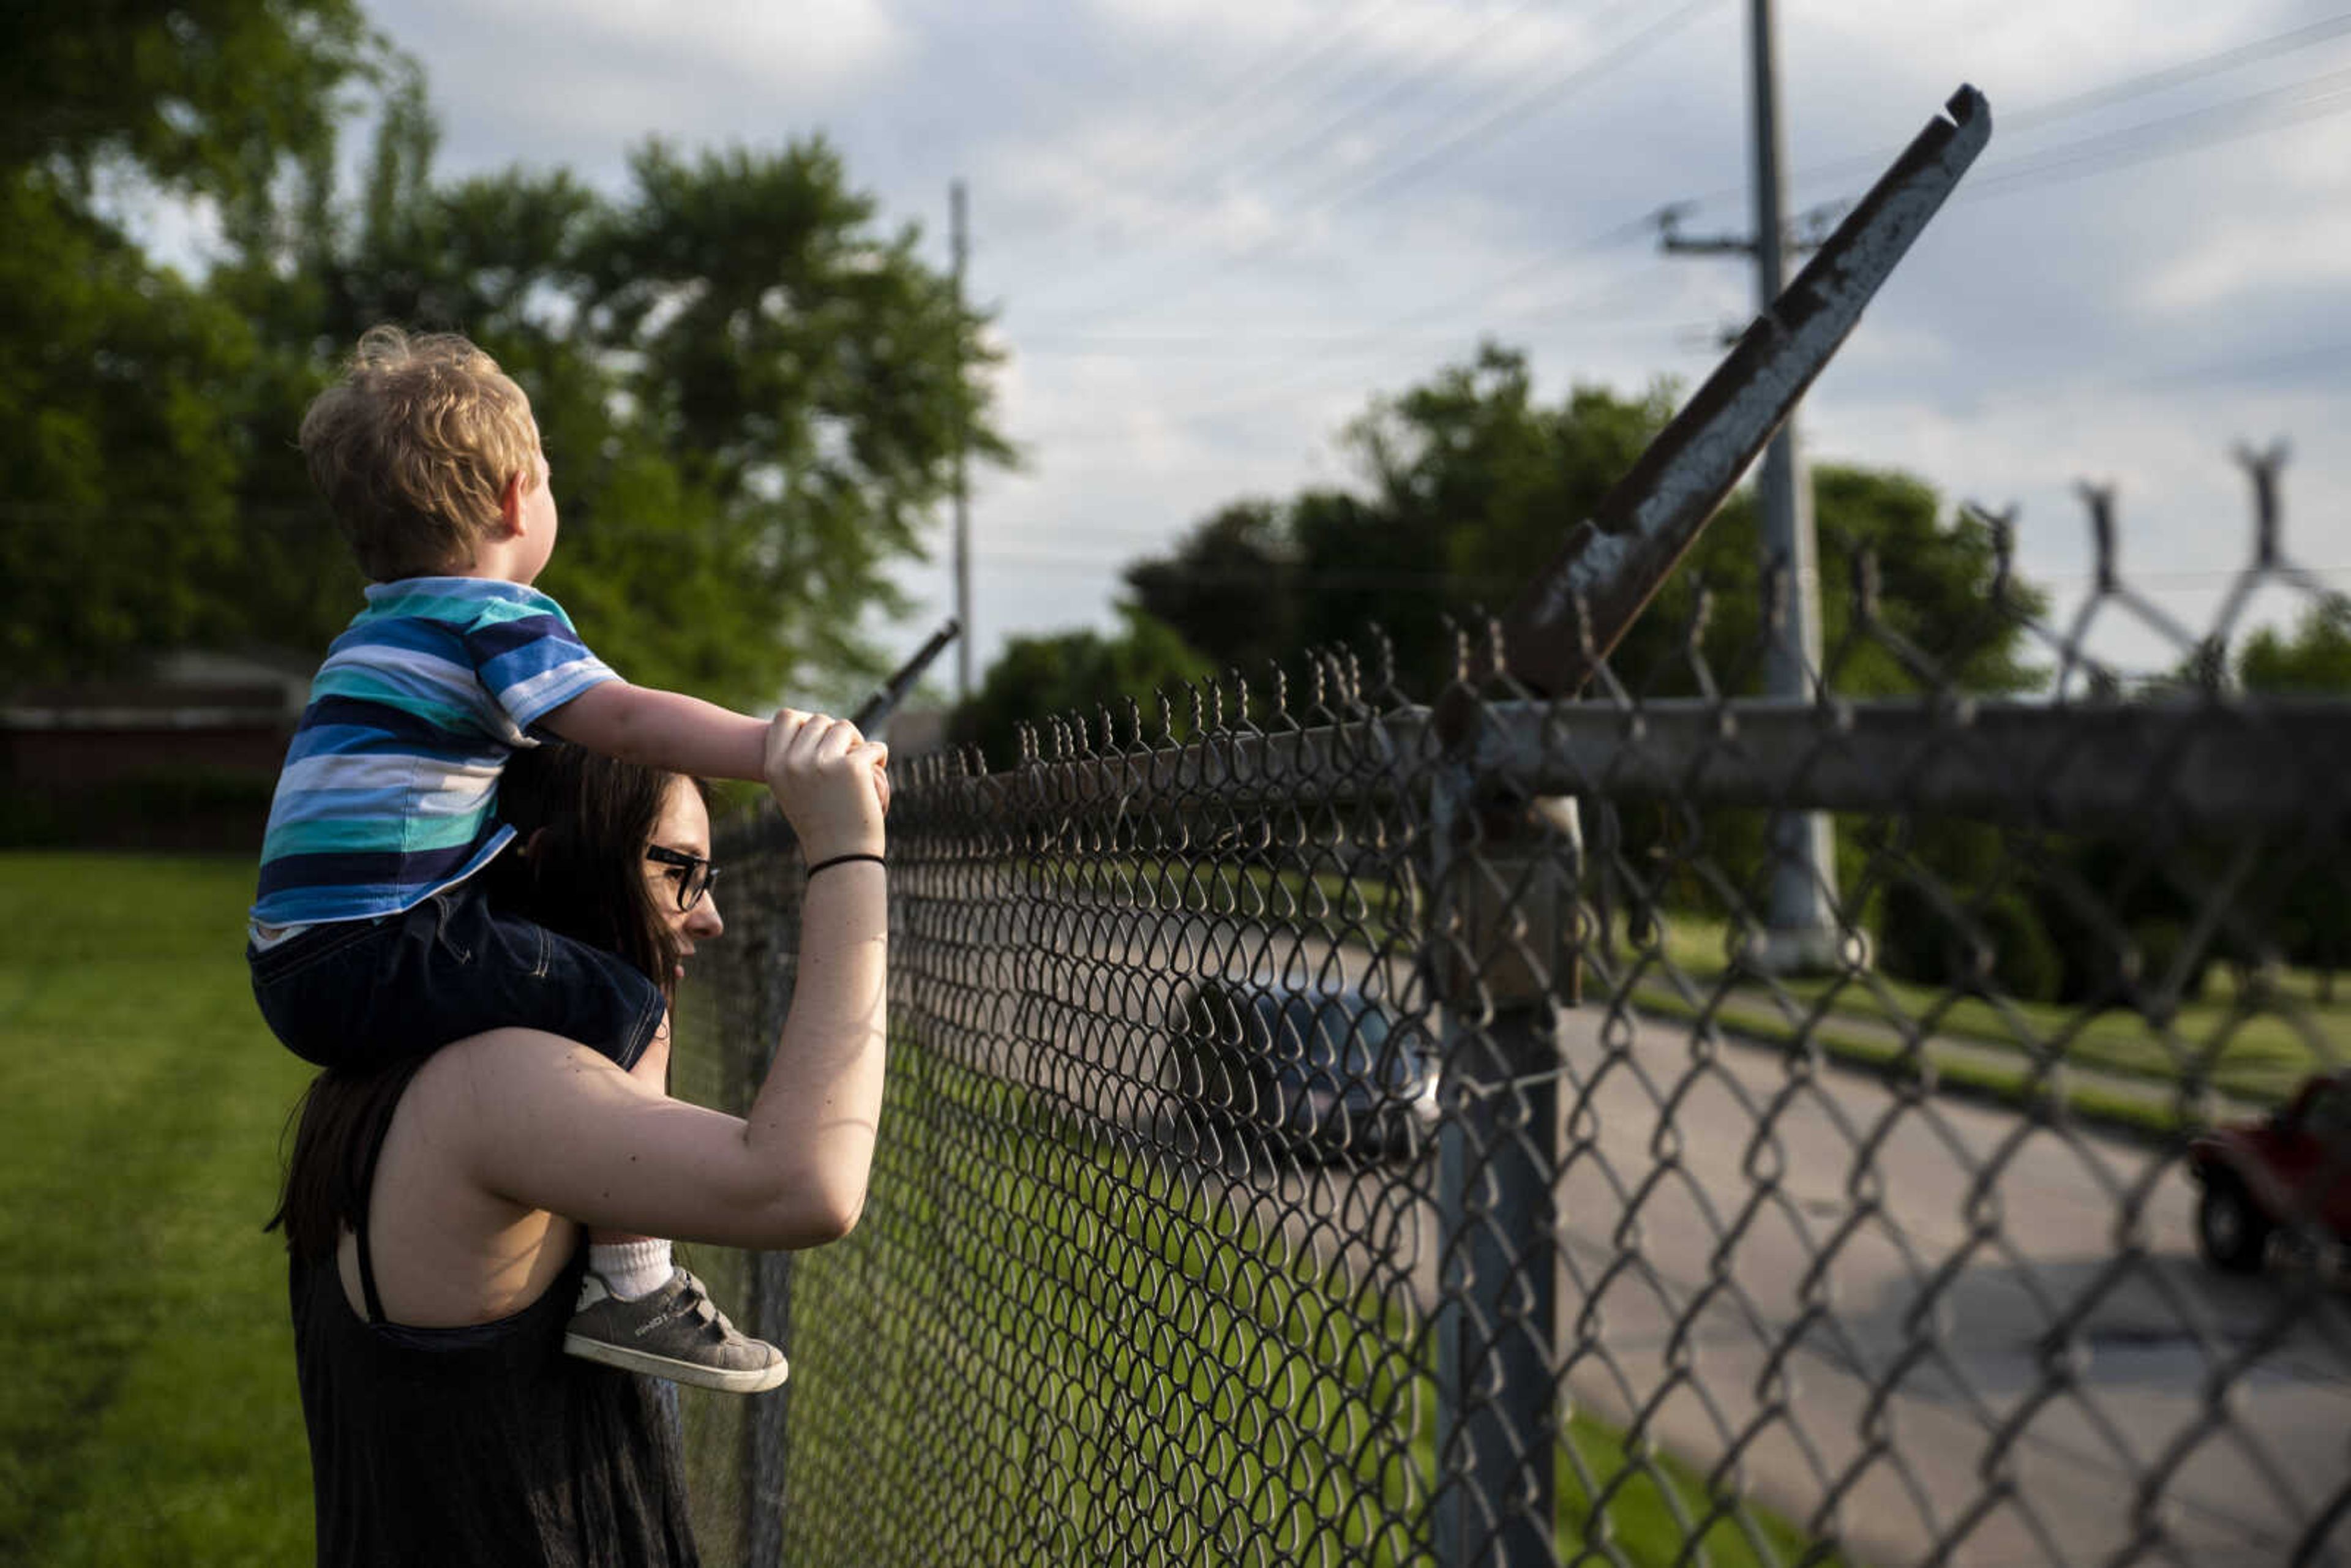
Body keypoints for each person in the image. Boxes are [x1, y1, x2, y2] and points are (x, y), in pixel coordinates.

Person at [247, 324, 883, 1386]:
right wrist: (780, 753)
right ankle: (633, 1280)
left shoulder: (367, 638)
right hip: (378, 941)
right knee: (627, 995)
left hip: (293, 964)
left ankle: (628, 1273)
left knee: (589, 986)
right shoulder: (489, 616)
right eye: (548, 482)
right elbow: (623, 721)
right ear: (512, 498)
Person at [271, 713, 889, 1567]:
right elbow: (804, 1183)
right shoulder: (499, 1083)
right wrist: (849, 857)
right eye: (678, 870)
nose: (707, 916)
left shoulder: (402, 1068)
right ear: (557, 860)